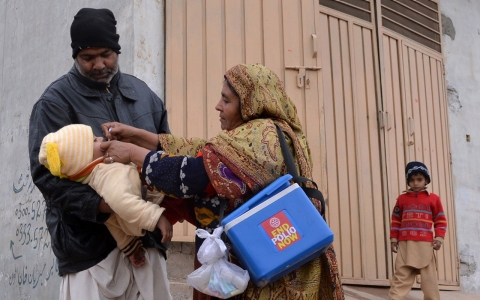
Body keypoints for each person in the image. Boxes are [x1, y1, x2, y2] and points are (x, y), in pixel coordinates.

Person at [99, 63, 345, 300]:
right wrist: (138, 136)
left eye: (227, 100)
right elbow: (200, 150)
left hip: (270, 274)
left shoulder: (262, 136)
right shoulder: (275, 134)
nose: (218, 106)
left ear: (251, 105)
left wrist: (132, 153)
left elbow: (193, 174)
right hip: (280, 258)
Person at [28, 8, 172, 300]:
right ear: (75, 57)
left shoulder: (144, 94)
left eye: (106, 54)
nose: (99, 64)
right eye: (88, 57)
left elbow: (167, 152)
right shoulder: (54, 102)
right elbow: (46, 177)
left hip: (148, 242)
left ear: (117, 49)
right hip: (87, 251)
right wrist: (108, 205)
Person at [38, 124, 173, 268]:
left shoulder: (96, 177)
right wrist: (156, 217)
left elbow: (112, 220)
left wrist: (129, 246)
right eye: (95, 140)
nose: (100, 138)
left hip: (158, 196)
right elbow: (123, 204)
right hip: (163, 201)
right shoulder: (105, 175)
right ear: (84, 157)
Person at [389, 161, 447, 300]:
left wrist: (439, 239)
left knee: (429, 281)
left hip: (425, 245)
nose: (415, 183)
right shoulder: (402, 199)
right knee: (401, 277)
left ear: (426, 180)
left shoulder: (433, 199)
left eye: (419, 179)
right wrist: (394, 240)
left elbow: (440, 220)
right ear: (408, 181)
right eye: (412, 180)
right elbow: (396, 221)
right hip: (405, 245)